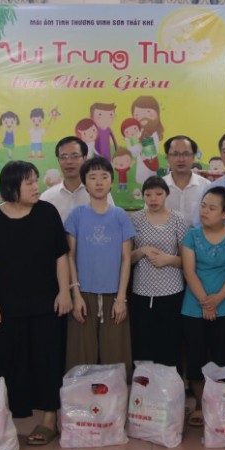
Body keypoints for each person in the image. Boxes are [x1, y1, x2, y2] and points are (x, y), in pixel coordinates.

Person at [0, 161, 71, 446]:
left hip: (47, 303)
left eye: (35, 181)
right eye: (29, 182)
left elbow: (61, 255)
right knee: (11, 360)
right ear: (11, 187)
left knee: (47, 360)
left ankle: (49, 419)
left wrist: (65, 292)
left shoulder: (47, 212)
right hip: (8, 306)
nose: (36, 187)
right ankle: (12, 416)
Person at [64, 156, 136, 374]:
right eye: (92, 177)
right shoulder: (76, 215)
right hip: (83, 294)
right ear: (85, 183)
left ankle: (114, 404)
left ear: (112, 182)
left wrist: (121, 298)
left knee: (116, 356)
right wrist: (75, 295)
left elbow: (126, 259)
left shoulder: (120, 216)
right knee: (81, 356)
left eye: (104, 177)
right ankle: (81, 405)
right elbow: (70, 256)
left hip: (114, 294)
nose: (98, 182)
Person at [181, 186, 225, 428]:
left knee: (224, 357)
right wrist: (205, 300)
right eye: (203, 206)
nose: (205, 211)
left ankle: (222, 404)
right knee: (196, 359)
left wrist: (216, 300)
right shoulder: (192, 236)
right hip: (194, 306)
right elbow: (189, 271)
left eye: (212, 207)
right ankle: (199, 404)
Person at [129, 176, 187, 369]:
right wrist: (142, 250)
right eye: (148, 194)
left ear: (167, 195)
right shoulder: (136, 218)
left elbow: (187, 261)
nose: (153, 198)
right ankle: (144, 388)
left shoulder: (178, 219)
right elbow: (127, 258)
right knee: (144, 341)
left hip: (172, 290)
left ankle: (171, 388)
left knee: (170, 341)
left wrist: (169, 259)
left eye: (159, 194)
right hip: (142, 291)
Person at [40, 136, 114, 221]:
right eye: (64, 157)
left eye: (75, 156)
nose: (69, 161)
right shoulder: (47, 197)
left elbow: (111, 223)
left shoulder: (100, 192)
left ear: (85, 158)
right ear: (58, 160)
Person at [163, 135, 210, 228]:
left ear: (193, 157)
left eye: (186, 154)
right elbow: (149, 218)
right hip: (165, 241)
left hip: (197, 241)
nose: (181, 159)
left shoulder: (206, 187)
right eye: (175, 154)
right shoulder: (158, 186)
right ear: (167, 158)